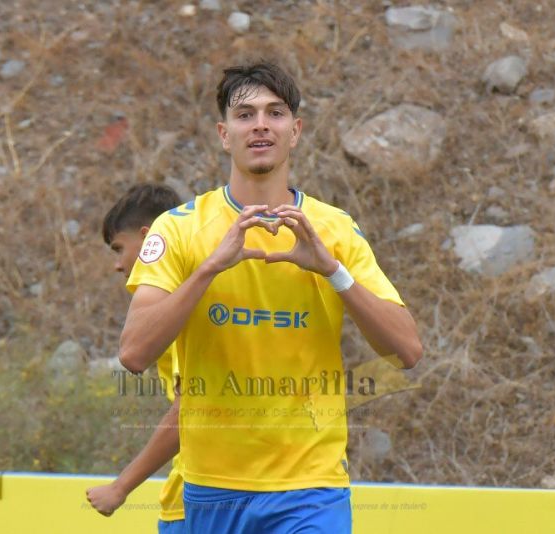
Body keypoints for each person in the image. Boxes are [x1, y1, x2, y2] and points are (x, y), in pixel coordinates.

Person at [120, 62, 423, 533]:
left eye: (275, 112)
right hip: (211, 488)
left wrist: (333, 272)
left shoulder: (335, 230)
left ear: (295, 131)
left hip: (310, 488)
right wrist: (209, 269)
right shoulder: (180, 228)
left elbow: (407, 351)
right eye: (245, 114)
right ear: (224, 134)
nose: (260, 124)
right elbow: (134, 353)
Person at [86, 183, 186, 534]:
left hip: (196, 504)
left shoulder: (176, 310)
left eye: (119, 248)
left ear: (150, 238)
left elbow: (191, 413)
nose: (117, 264)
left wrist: (121, 487)